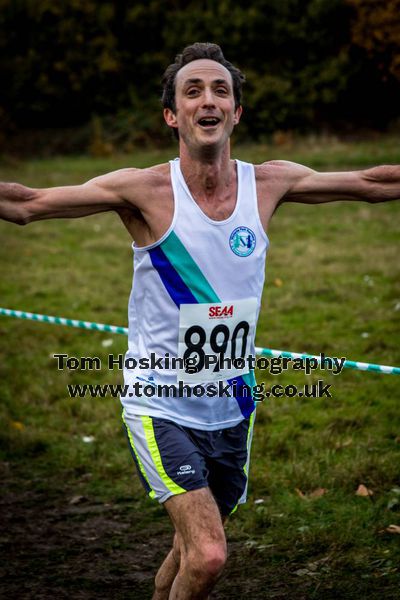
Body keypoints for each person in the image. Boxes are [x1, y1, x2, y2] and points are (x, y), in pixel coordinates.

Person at [0, 42, 399, 599]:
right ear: (172, 115)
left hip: (234, 408)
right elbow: (27, 202)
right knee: (210, 556)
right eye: (193, 91)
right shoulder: (142, 190)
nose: (207, 100)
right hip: (159, 404)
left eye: (220, 91)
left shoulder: (269, 182)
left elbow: (373, 184)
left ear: (236, 112)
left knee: (192, 551)